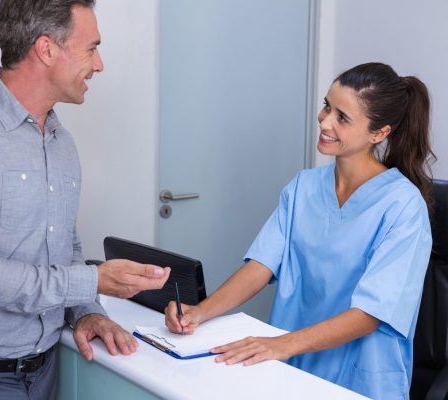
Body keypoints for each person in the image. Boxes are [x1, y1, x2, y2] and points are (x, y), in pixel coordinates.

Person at [165, 62, 434, 400]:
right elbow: (261, 266)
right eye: (327, 106)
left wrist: (282, 344)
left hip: (357, 377)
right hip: (290, 366)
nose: (324, 121)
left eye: (342, 117)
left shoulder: (403, 205)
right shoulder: (304, 186)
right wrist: (200, 312)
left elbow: (371, 313)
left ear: (379, 133)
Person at [0, 1, 170, 399]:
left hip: (46, 373)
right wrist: (94, 281)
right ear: (46, 49)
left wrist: (87, 311)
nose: (99, 65)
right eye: (91, 48)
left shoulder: (60, 141)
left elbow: (64, 247)